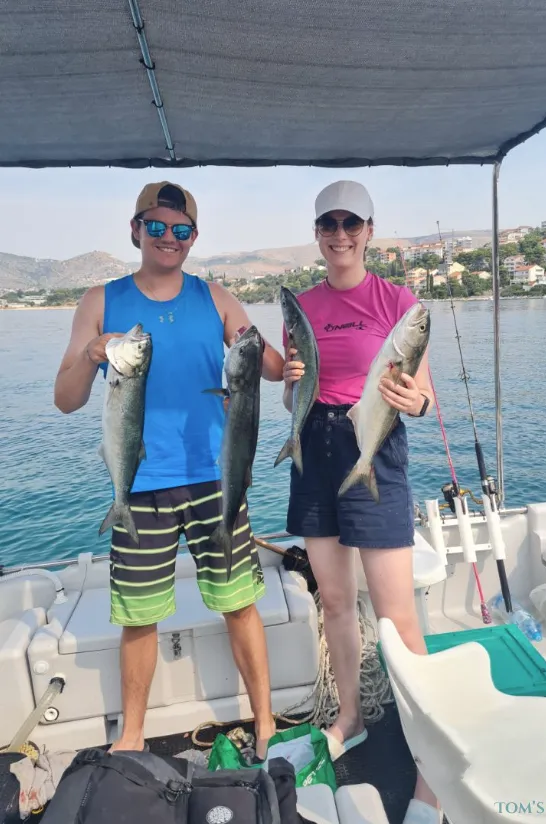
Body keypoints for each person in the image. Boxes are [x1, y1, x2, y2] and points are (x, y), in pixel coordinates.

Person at [54, 181, 284, 758]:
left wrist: (287, 356)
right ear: (135, 230)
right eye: (156, 226)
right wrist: (91, 354)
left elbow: (270, 366)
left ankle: (265, 724)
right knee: (138, 616)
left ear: (193, 237)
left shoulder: (216, 297)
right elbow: (66, 400)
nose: (168, 238)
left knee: (239, 602)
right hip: (139, 485)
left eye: (181, 230)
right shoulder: (100, 301)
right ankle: (132, 736)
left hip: (216, 476)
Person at [281, 180, 441, 823]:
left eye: (352, 223)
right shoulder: (301, 306)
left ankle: (432, 760)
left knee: (398, 618)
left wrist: (416, 402)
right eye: (330, 223)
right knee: (336, 602)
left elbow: (424, 397)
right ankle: (350, 718)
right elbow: (294, 393)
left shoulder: (399, 303)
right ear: (317, 233)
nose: (340, 234)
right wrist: (290, 385)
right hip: (315, 445)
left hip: (374, 440)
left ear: (369, 231)